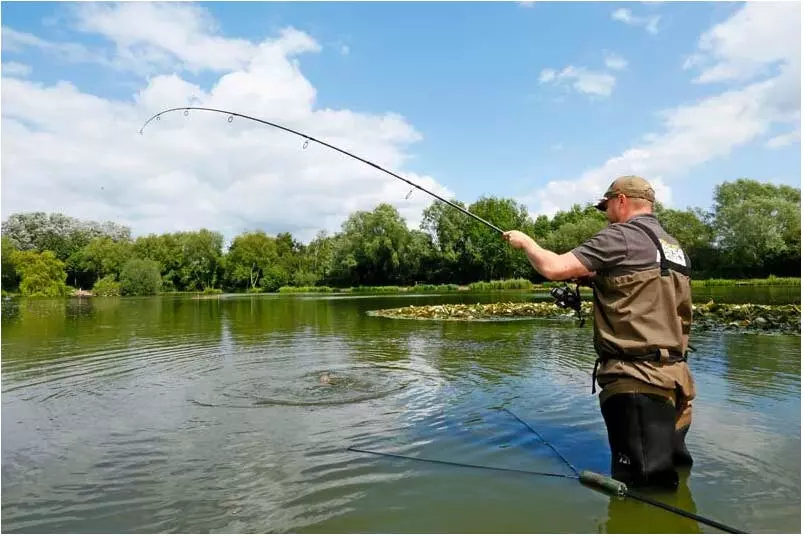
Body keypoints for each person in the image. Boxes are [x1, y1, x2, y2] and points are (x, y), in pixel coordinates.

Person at [502, 175, 696, 489]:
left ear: (621, 200)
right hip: (676, 379)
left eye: (606, 206)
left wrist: (526, 242)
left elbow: (553, 267)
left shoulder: (619, 236)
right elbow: (647, 290)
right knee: (672, 473)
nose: (605, 214)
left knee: (643, 488)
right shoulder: (672, 247)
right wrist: (597, 279)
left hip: (637, 381)